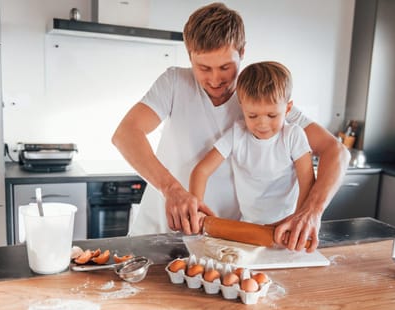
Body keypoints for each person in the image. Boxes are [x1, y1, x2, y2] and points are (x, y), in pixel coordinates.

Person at [112, 2, 349, 252]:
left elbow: (336, 151)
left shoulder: (259, 97)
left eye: (225, 67)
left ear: (242, 51)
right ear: (189, 55)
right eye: (203, 68)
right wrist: (172, 189)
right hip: (157, 234)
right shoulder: (173, 82)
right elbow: (126, 134)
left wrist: (310, 212)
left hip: (225, 243)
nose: (215, 80)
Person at [189, 61, 314, 228]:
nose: (262, 124)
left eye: (272, 115)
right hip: (248, 225)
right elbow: (201, 171)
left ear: (288, 108)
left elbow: (307, 181)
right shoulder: (237, 134)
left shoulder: (294, 136)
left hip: (286, 225)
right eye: (253, 116)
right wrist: (197, 209)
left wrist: (298, 220)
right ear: (242, 108)